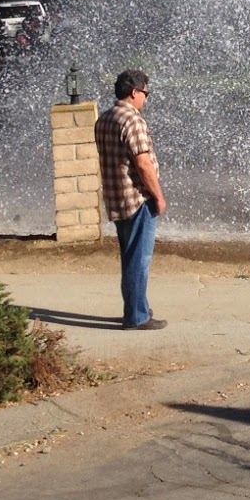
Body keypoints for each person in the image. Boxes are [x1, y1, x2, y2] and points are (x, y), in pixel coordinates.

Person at [94, 68, 168, 330]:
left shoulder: (105, 118)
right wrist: (158, 196)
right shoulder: (132, 120)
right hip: (137, 198)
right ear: (134, 92)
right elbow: (143, 164)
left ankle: (137, 308)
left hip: (116, 198)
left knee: (130, 257)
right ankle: (137, 317)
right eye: (146, 93)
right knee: (139, 259)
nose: (146, 99)